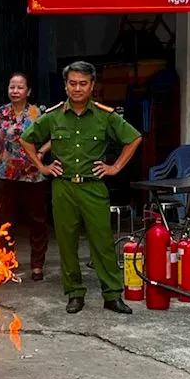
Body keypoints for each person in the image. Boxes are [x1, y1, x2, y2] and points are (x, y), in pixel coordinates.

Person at [20, 61, 142, 315]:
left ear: (92, 86)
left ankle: (111, 294)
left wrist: (115, 167)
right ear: (65, 85)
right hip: (63, 188)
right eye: (72, 83)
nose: (77, 88)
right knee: (66, 243)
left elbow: (134, 138)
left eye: (83, 83)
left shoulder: (105, 116)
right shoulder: (53, 117)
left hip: (93, 187)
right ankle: (75, 294)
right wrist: (42, 167)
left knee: (103, 243)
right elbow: (26, 139)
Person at [0, 72, 51, 281]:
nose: (15, 91)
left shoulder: (38, 113)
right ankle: (5, 264)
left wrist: (41, 153)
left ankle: (37, 265)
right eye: (12, 87)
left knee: (37, 220)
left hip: (33, 175)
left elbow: (56, 133)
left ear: (28, 91)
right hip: (4, 174)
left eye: (20, 87)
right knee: (3, 222)